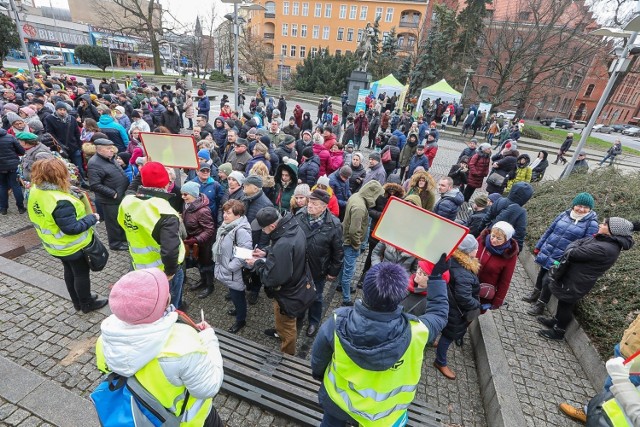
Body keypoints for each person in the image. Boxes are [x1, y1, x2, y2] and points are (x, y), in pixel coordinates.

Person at [311, 258, 449, 427]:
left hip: (338, 402)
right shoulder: (417, 332)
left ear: (365, 293)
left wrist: (319, 375)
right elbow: (439, 314)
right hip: (383, 416)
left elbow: (318, 360)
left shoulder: (337, 321)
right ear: (399, 297)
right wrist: (436, 278)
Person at [96, 269, 224, 426]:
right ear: (165, 303)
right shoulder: (184, 345)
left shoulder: (105, 340)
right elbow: (208, 387)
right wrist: (209, 339)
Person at [27, 158, 107, 313]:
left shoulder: (36, 189)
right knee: (81, 274)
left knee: (70, 271)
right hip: (72, 246)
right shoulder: (61, 201)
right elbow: (72, 228)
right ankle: (86, 303)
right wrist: (92, 218)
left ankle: (77, 302)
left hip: (54, 244)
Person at [538, 217, 637, 340]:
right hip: (574, 276)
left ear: (612, 230)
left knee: (566, 305)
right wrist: (575, 245)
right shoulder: (605, 240)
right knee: (563, 301)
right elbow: (580, 242)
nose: (600, 225)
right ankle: (555, 321)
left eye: (604, 224)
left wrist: (572, 246)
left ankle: (559, 331)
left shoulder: (605, 248)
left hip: (577, 280)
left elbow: (573, 253)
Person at [118, 162, 185, 309]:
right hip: (162, 271)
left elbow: (130, 190)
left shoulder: (127, 202)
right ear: (167, 184)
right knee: (168, 306)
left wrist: (143, 172)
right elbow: (170, 250)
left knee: (150, 305)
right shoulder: (165, 212)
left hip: (138, 264)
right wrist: (170, 272)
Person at [245, 207, 307, 355]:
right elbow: (281, 252)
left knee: (288, 326)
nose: (262, 231)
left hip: (287, 292)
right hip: (296, 283)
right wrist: (266, 252)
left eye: (263, 228)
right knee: (283, 321)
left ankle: (287, 357)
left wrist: (256, 264)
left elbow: (272, 278)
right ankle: (280, 331)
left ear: (272, 226)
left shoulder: (283, 244)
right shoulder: (292, 227)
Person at [523, 192, 598, 307]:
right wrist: (539, 245)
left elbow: (586, 245)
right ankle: (534, 295)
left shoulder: (591, 224)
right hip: (549, 250)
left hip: (562, 257)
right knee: (541, 274)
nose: (581, 209)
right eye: (579, 205)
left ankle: (540, 305)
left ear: (590, 209)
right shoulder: (565, 214)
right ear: (574, 205)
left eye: (585, 207)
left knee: (549, 280)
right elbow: (550, 230)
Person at [296, 189, 344, 337]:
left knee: (316, 297)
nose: (309, 205)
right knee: (299, 294)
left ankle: (313, 322)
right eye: (310, 202)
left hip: (318, 269)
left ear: (324, 207)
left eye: (314, 204)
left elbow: (338, 252)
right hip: (299, 266)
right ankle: (299, 317)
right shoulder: (300, 215)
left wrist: (333, 271)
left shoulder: (334, 225)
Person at [434, 235, 481, 380]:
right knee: (448, 335)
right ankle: (440, 362)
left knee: (439, 326)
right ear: (467, 251)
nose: (478, 249)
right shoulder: (464, 273)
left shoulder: (455, 261)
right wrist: (477, 304)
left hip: (447, 304)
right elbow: (463, 297)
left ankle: (430, 341)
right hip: (455, 311)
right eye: (475, 248)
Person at [338, 181, 384, 305]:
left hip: (345, 239)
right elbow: (354, 231)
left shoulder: (356, 196)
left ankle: (340, 286)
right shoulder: (360, 207)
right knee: (349, 271)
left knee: (344, 266)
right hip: (350, 243)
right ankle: (346, 299)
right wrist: (357, 245)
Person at [213, 200, 252, 333]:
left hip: (234, 272)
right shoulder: (227, 225)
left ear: (238, 215)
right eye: (224, 212)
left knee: (238, 295)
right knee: (234, 294)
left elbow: (244, 255)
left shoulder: (241, 231)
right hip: (227, 269)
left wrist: (229, 267)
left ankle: (241, 319)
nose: (224, 215)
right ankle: (238, 311)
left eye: (228, 213)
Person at [87, 138, 129, 250]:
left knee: (120, 219)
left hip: (120, 195)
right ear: (99, 149)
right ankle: (116, 244)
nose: (112, 151)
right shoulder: (94, 163)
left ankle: (123, 239)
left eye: (112, 148)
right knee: (113, 223)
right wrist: (112, 194)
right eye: (108, 148)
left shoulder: (109, 158)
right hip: (110, 200)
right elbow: (94, 185)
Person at [181, 181, 216, 299]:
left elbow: (210, 230)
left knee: (207, 265)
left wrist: (196, 239)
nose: (183, 197)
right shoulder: (187, 205)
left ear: (194, 194)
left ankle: (210, 286)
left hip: (204, 245)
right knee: (199, 264)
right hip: (194, 243)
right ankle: (202, 281)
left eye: (186, 194)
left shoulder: (203, 211)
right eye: (182, 194)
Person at [476, 221, 518, 310]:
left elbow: (505, 281)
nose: (494, 240)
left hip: (482, 294)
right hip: (465, 285)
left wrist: (498, 300)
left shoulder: (510, 255)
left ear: (506, 239)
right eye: (493, 236)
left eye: (499, 238)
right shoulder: (481, 239)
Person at [481, 182, 533, 252]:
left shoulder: (500, 200)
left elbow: (487, 218)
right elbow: (520, 234)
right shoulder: (521, 212)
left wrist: (480, 231)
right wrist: (517, 250)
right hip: (501, 246)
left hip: (489, 237)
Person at [0, 126, 26, 214]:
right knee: (15, 185)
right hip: (12, 166)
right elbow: (22, 151)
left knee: (2, 186)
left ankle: (3, 209)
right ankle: (21, 208)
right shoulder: (10, 137)